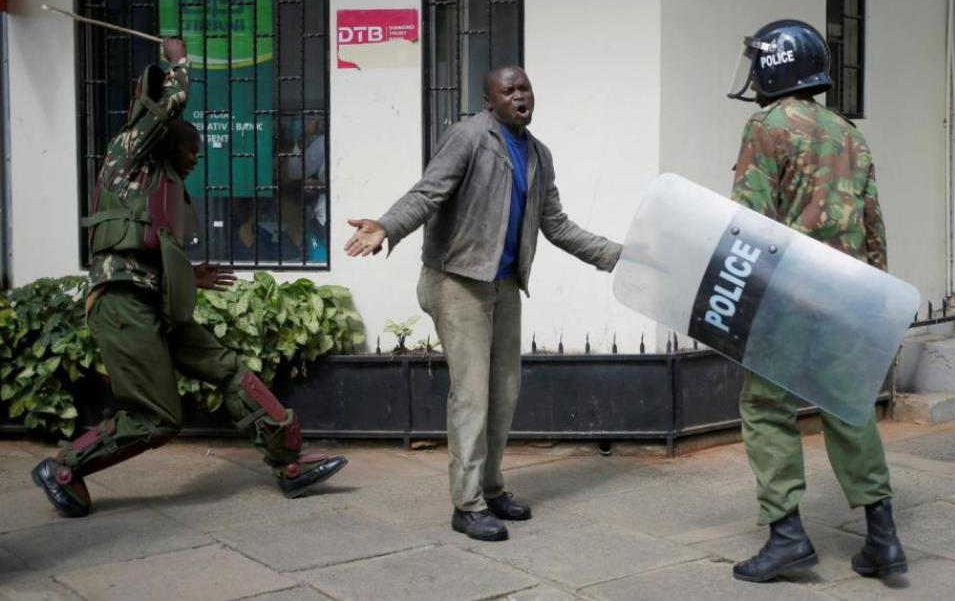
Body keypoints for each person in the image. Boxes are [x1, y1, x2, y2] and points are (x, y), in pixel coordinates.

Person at [31, 38, 346, 519]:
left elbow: (145, 247)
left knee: (228, 368)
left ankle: (289, 461)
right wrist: (179, 62)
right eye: (191, 148)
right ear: (166, 141)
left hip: (153, 301)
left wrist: (189, 278)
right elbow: (169, 106)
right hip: (121, 304)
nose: (197, 157)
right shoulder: (129, 152)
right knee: (157, 417)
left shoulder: (157, 183)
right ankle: (63, 467)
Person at [345, 66, 621, 541]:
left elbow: (556, 225)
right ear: (489, 101)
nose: (519, 96)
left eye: (524, 88)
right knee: (471, 394)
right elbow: (428, 193)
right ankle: (467, 504)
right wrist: (387, 226)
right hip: (458, 282)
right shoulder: (468, 137)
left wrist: (617, 256)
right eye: (507, 91)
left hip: (505, 285)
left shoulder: (538, 154)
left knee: (504, 392)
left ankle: (491, 489)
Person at [725, 19, 907, 582]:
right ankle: (883, 540)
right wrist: (875, 298)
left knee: (766, 408)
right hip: (846, 293)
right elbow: (873, 223)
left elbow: (750, 221)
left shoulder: (766, 126)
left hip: (786, 295)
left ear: (774, 66)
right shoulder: (848, 132)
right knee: (848, 406)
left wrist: (736, 299)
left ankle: (787, 538)